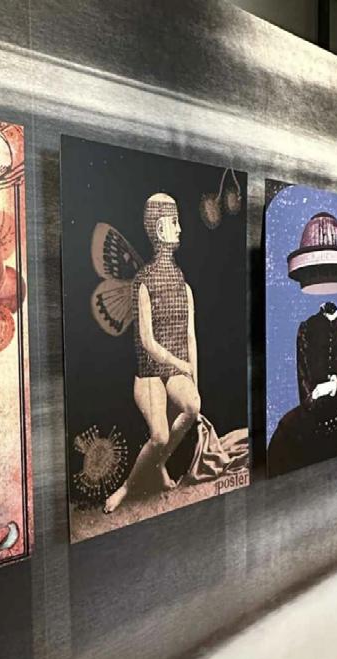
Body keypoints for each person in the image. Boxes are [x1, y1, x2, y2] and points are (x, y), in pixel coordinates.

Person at [103, 193, 200, 513]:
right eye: (174, 222)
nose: (180, 229)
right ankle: (126, 488)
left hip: (173, 371)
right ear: (159, 229)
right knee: (159, 435)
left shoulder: (184, 286)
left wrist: (194, 380)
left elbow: (190, 337)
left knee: (193, 407)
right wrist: (180, 363)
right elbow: (147, 342)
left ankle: (158, 464)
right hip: (148, 372)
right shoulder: (143, 282)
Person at [267, 301, 337, 475]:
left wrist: (334, 387)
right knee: (281, 441)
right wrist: (317, 395)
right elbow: (305, 395)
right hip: (314, 416)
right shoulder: (306, 328)